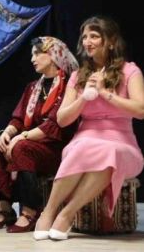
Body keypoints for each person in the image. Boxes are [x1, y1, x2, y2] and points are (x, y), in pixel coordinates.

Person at [34, 16, 144, 241]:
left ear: (110, 42)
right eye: (84, 37)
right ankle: (49, 211)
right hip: (84, 141)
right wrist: (84, 97)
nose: (87, 41)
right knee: (83, 147)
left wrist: (104, 93)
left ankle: (66, 214)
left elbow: (141, 110)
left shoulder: (131, 71)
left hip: (122, 143)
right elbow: (62, 119)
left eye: (94, 36)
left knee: (108, 151)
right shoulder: (78, 75)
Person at [0, 37, 78, 233]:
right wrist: (7, 133)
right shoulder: (32, 87)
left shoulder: (68, 86)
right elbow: (18, 119)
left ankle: (30, 211)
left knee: (21, 148)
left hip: (56, 147)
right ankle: (5, 209)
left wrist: (21, 137)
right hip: (32, 143)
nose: (32, 59)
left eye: (37, 53)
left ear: (53, 55)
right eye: (32, 55)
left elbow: (53, 126)